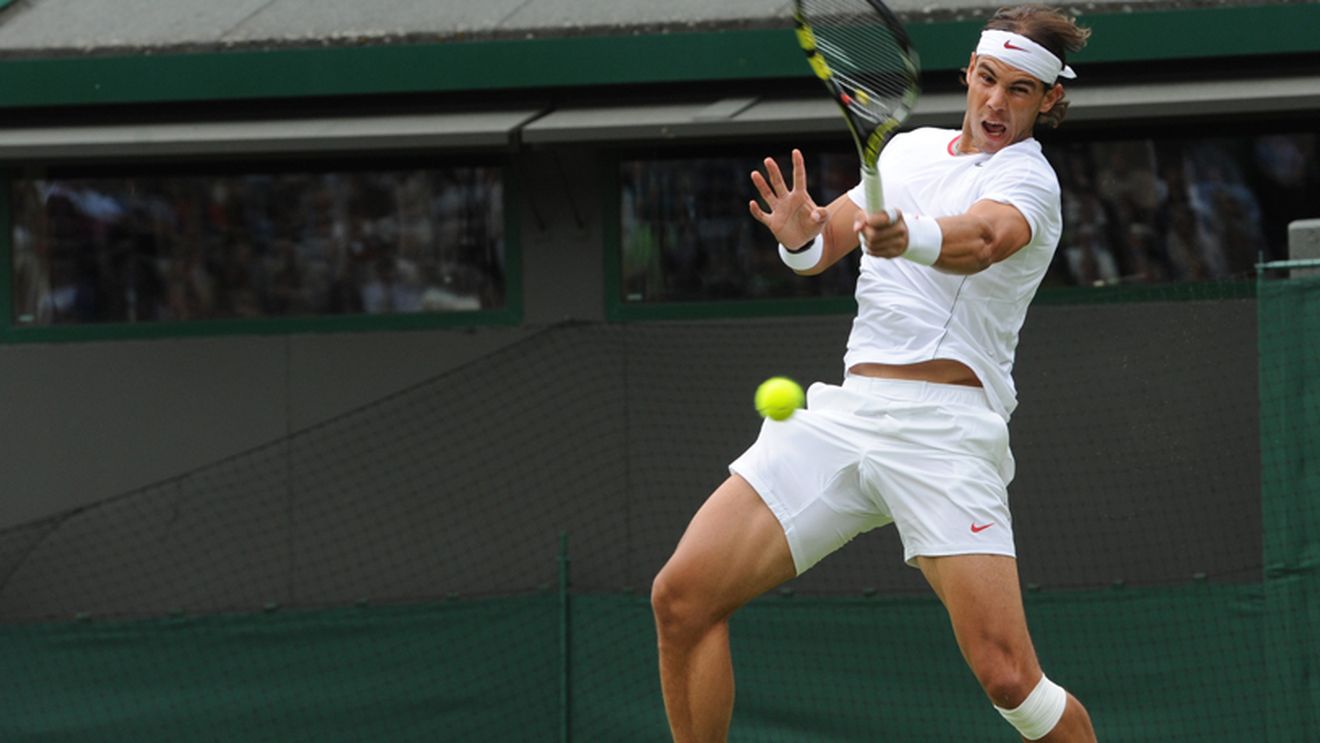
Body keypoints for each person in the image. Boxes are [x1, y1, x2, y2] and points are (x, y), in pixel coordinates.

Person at [651, 5, 1098, 742]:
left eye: (1020, 90)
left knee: (1010, 678)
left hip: (945, 431)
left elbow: (985, 238)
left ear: (1048, 101)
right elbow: (827, 240)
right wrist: (800, 236)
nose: (996, 101)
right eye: (988, 79)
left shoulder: (1031, 180)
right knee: (682, 597)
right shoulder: (907, 151)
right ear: (968, 75)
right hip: (847, 411)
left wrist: (913, 236)